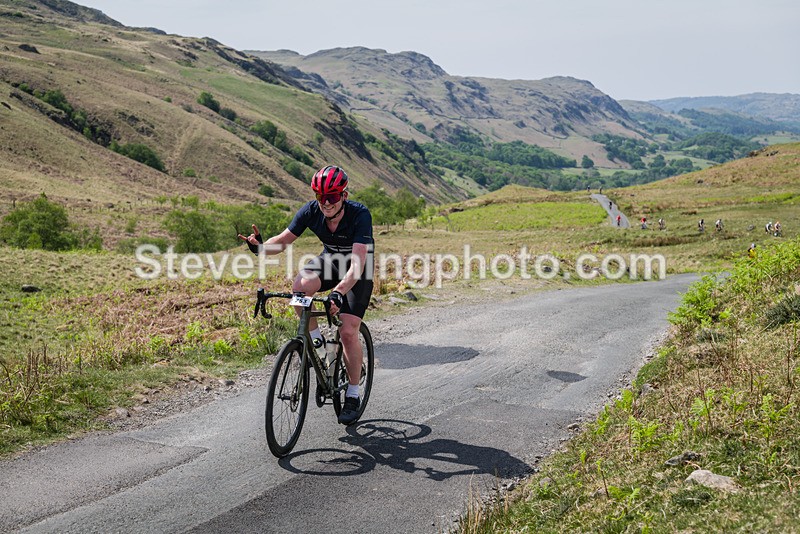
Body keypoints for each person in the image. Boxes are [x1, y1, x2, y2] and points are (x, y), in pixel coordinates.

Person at [239, 165, 374, 425]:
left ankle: (354, 393)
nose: (326, 203)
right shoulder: (311, 211)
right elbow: (284, 239)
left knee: (347, 331)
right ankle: (317, 344)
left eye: (332, 197)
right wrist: (261, 249)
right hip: (331, 262)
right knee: (299, 286)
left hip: (358, 272)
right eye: (320, 197)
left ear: (344, 195)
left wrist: (337, 293)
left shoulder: (359, 215)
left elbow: (357, 265)